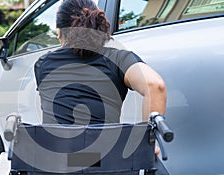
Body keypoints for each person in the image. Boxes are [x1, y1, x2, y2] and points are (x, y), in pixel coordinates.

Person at [34, 0, 166, 130]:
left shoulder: (43, 64)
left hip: (54, 150)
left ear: (60, 31)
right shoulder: (119, 59)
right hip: (107, 150)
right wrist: (148, 141)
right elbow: (155, 86)